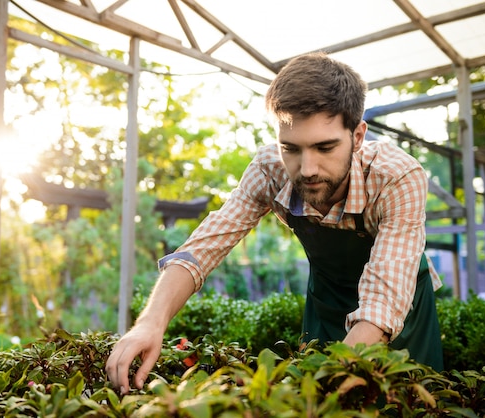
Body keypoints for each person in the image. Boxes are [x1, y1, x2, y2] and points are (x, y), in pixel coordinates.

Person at [106, 52, 444, 393]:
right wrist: (149, 323)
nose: (307, 168)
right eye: (291, 148)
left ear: (357, 136)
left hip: (402, 310)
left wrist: (327, 383)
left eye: (325, 147)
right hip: (327, 302)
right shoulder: (269, 169)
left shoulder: (397, 177)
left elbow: (383, 300)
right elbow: (204, 246)